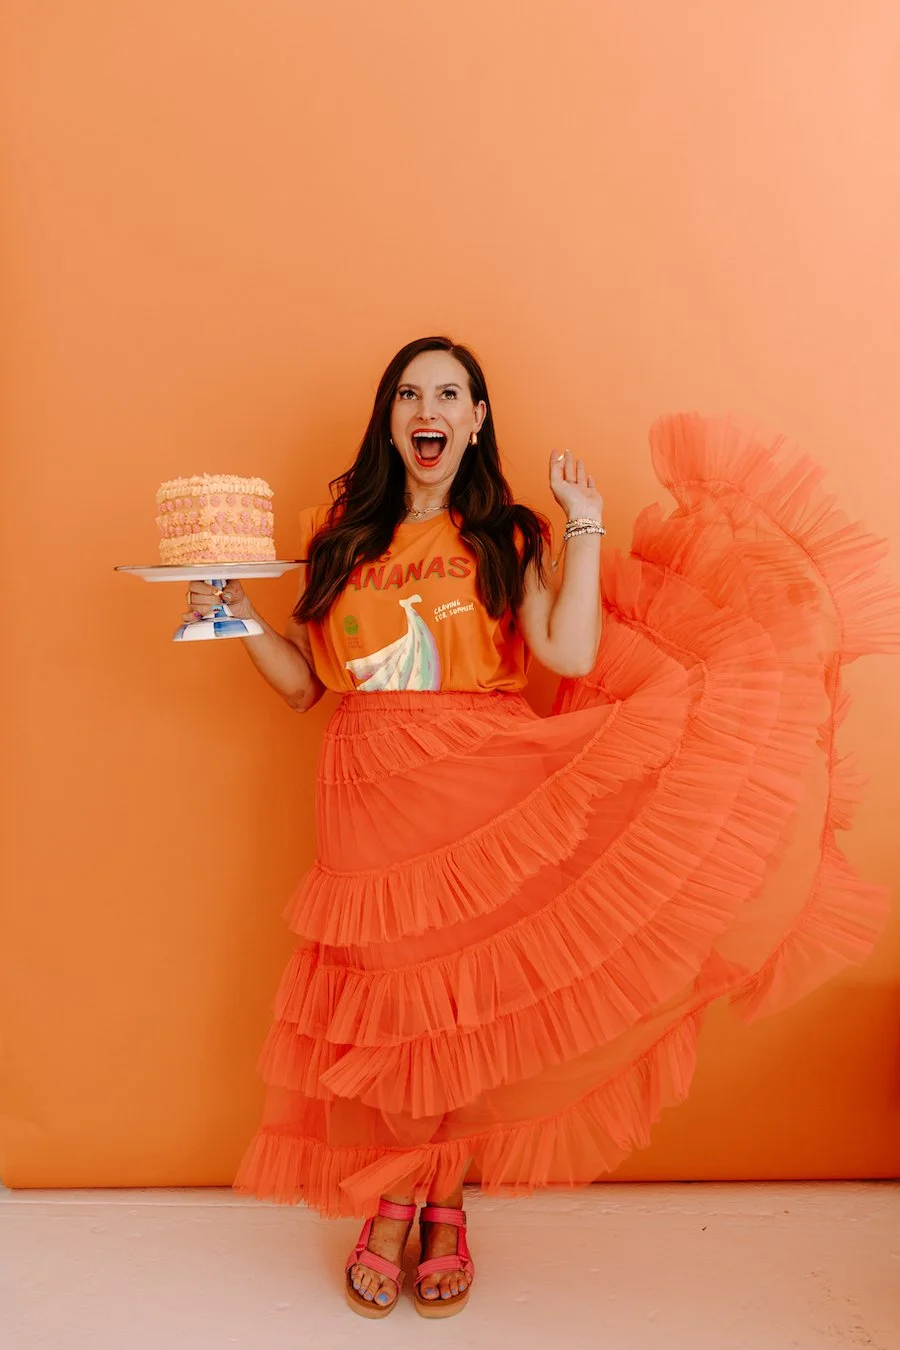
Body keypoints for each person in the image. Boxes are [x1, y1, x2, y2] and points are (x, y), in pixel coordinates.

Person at [183, 336, 897, 1321]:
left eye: (449, 393)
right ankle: (437, 1199)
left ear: (475, 421)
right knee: (400, 1004)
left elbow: (565, 646)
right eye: (409, 393)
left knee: (462, 1003)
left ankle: (407, 1203)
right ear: (391, 419)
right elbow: (308, 686)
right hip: (366, 788)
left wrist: (588, 527)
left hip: (484, 777)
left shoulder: (502, 534)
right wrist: (229, 615)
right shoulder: (339, 532)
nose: (426, 409)